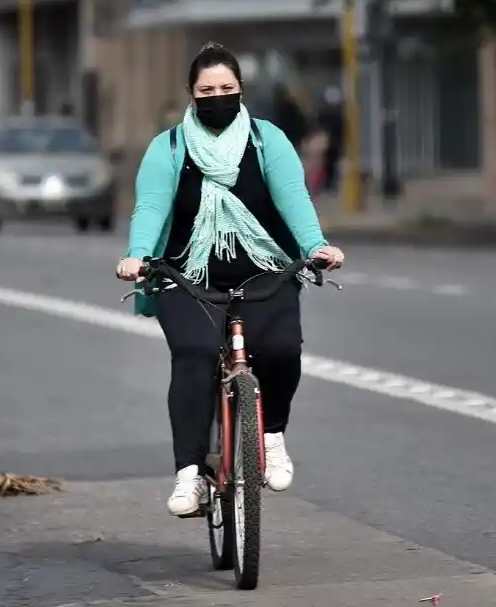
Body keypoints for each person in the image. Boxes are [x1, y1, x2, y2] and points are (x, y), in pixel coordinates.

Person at [115, 42, 345, 516]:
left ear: (240, 91)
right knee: (196, 354)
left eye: (226, 88)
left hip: (264, 273)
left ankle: (272, 435)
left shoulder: (267, 141)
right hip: (187, 277)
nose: (216, 96)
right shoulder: (170, 148)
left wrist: (315, 246)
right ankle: (189, 475)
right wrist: (138, 257)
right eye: (207, 90)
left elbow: (294, 199)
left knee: (282, 350)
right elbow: (151, 208)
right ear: (191, 94)